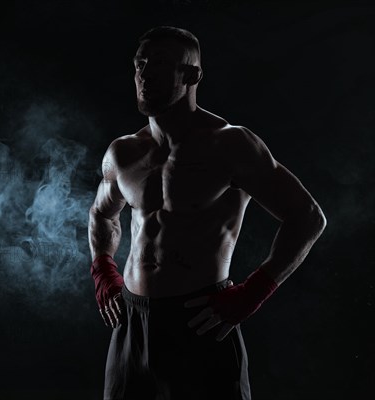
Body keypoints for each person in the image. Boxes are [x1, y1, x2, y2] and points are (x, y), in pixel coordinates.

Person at [87, 26, 327, 400]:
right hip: (131, 323)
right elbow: (102, 215)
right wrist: (103, 268)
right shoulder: (123, 153)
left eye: (161, 64)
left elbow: (308, 217)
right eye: (140, 64)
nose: (145, 74)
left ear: (192, 75)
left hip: (200, 321)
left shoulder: (231, 144)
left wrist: (255, 291)